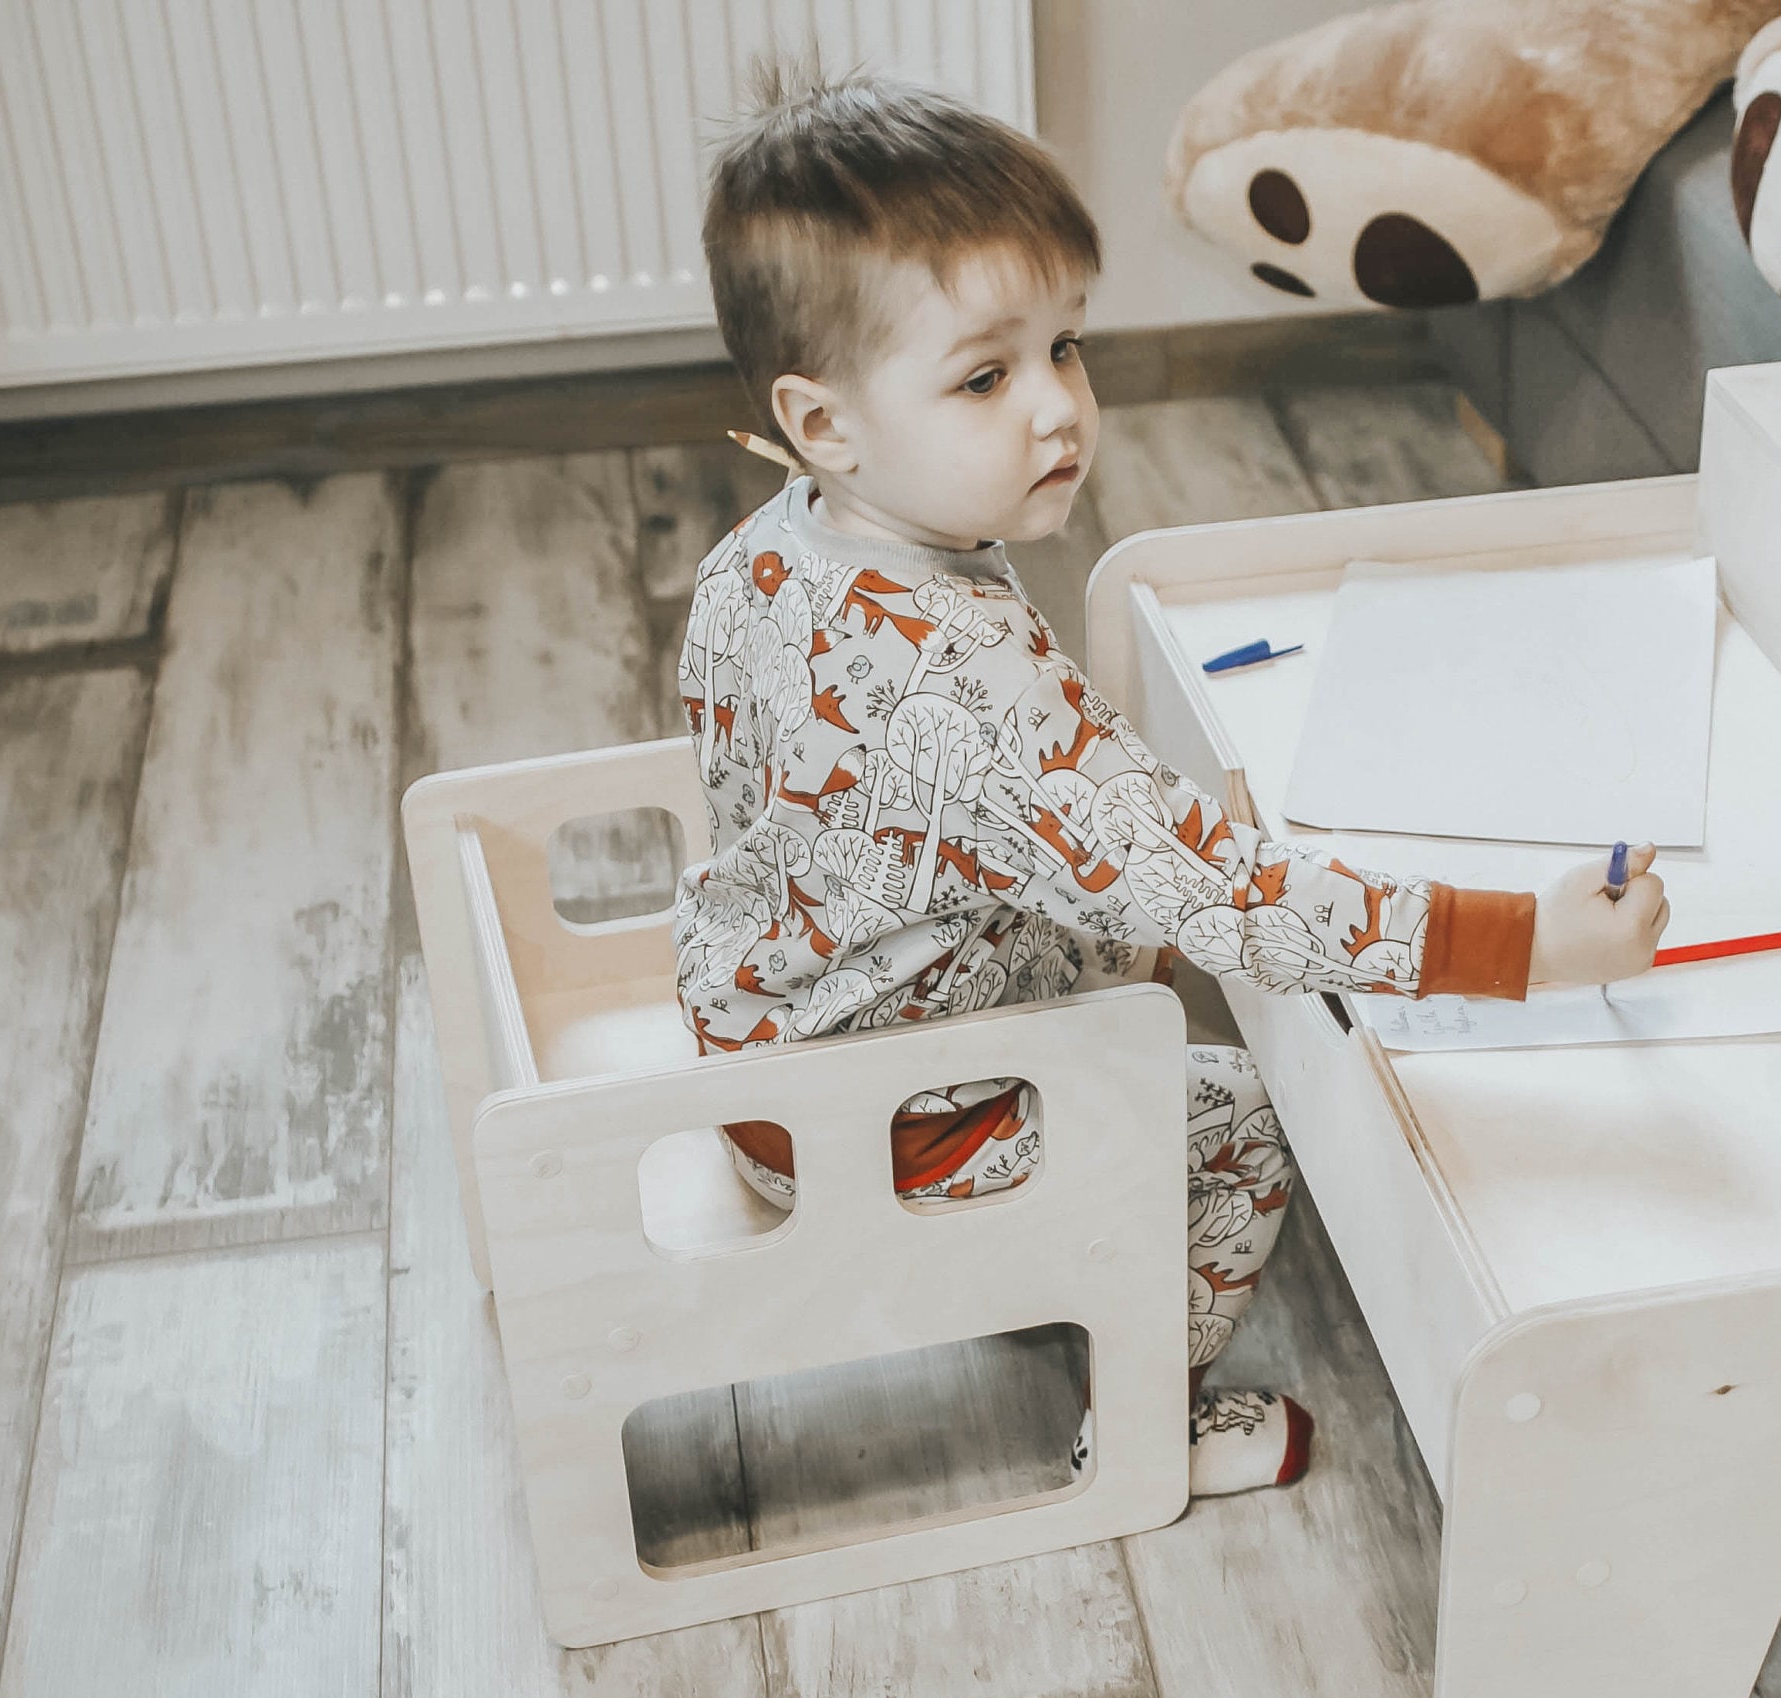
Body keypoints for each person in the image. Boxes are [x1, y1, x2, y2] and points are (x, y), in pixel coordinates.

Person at [680, 71, 1668, 1494]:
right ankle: (1143, 1423)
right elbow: (1236, 905)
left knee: (1158, 937)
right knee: (1246, 1112)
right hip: (884, 1125)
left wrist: (1119, 850)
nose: (1058, 409)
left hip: (769, 1030)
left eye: (1064, 347)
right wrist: (1533, 942)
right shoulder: (962, 685)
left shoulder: (775, 543)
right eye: (984, 376)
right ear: (825, 421)